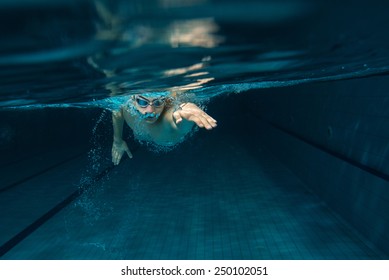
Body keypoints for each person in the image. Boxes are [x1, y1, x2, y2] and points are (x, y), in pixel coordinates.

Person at [111, 93, 217, 165]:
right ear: (133, 100)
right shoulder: (126, 106)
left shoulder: (166, 121)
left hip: (165, 136)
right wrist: (117, 140)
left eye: (157, 103)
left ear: (164, 101)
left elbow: (174, 116)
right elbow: (117, 109)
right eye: (143, 102)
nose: (151, 111)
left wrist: (185, 107)